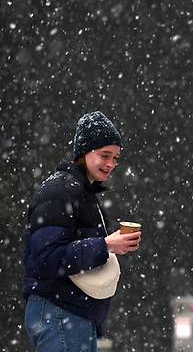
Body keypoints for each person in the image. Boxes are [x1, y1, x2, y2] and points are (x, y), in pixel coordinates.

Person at [23, 111, 142, 351]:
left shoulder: (82, 193)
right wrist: (106, 245)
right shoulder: (60, 191)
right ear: (84, 152)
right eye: (104, 155)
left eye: (115, 157)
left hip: (72, 316)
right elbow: (47, 259)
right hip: (60, 314)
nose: (111, 164)